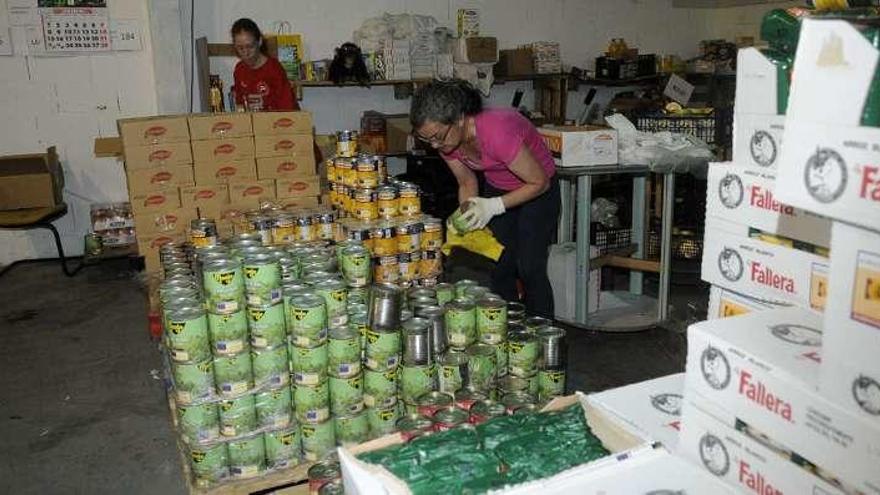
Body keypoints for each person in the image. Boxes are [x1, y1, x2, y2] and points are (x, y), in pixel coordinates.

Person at [410, 80, 560, 317]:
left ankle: (543, 335)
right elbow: (467, 182)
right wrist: (468, 213)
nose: (435, 145)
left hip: (537, 191)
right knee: (499, 266)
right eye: (428, 140)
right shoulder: (447, 142)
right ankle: (510, 330)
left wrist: (493, 206)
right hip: (499, 188)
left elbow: (539, 183)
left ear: (460, 118)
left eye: (438, 136)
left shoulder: (497, 131)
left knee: (530, 267)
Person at [231, 18, 299, 111]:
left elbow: (288, 109)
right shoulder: (239, 70)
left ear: (259, 42)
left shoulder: (274, 69)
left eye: (250, 46)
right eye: (240, 48)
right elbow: (240, 106)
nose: (246, 53)